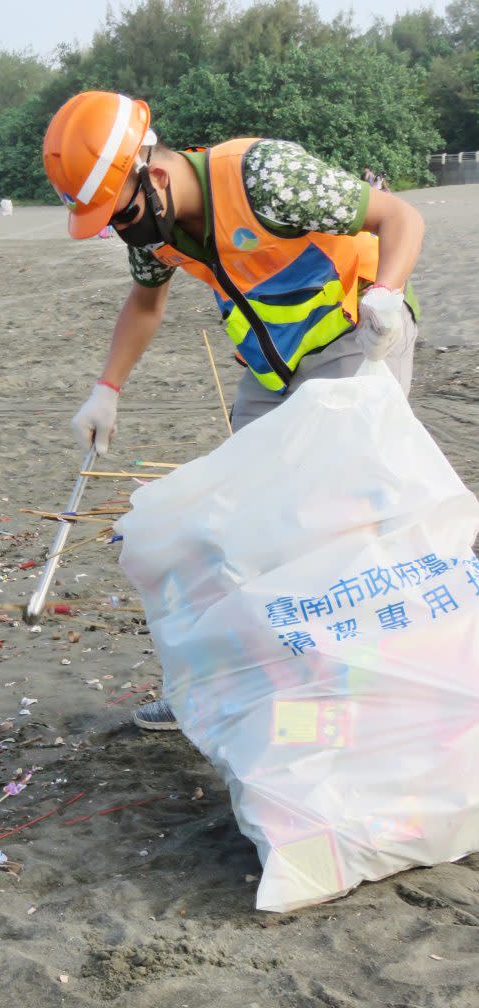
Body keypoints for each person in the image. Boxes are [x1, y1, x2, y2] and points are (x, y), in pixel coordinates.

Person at [43, 91, 424, 731]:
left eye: (118, 213)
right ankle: (217, 686)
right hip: (269, 364)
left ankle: (373, 685)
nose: (118, 229)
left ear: (154, 176)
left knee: (344, 518)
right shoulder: (155, 229)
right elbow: (144, 304)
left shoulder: (264, 176)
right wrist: (106, 389)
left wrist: (386, 296)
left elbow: (400, 218)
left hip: (356, 331)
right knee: (244, 521)